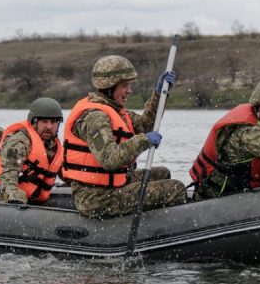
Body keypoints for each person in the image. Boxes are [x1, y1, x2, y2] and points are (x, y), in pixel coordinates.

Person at [62, 55, 187, 217]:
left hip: (113, 185)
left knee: (162, 173)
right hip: (97, 198)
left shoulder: (115, 110)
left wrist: (158, 95)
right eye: (124, 86)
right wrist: (144, 140)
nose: (129, 91)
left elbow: (145, 125)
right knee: (175, 189)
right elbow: (109, 158)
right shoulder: (95, 117)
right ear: (109, 87)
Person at [0, 99, 63, 204]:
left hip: (31, 197)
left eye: (53, 122)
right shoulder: (19, 141)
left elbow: (67, 173)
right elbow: (8, 175)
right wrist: (15, 195)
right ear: (34, 122)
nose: (49, 127)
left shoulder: (54, 146)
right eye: (44, 122)